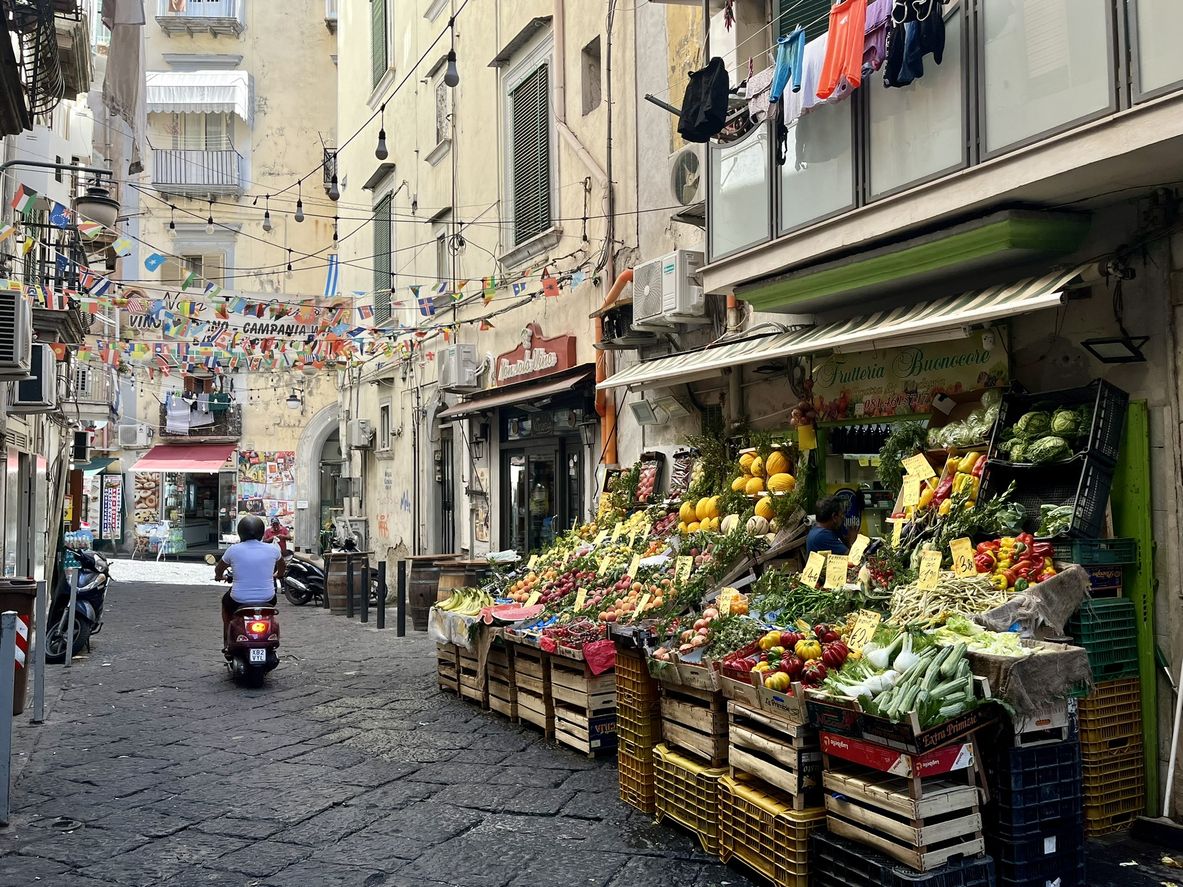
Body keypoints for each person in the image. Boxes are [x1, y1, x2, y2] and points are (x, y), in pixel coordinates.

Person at [215, 515, 284, 635]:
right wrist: (278, 575)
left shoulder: (233, 550)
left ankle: (227, 635)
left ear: (240, 532)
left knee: (225, 604)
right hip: (268, 598)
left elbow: (219, 569)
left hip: (238, 599)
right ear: (262, 532)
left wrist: (220, 576)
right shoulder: (273, 549)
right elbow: (282, 567)